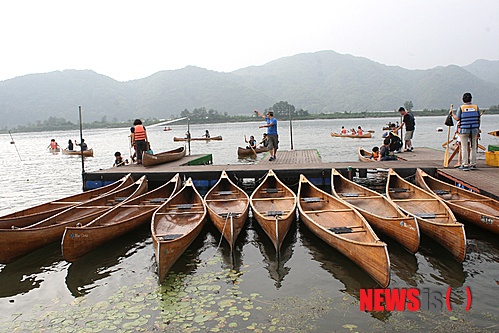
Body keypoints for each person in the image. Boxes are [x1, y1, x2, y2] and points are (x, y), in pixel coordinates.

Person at [451, 92, 480, 171]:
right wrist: (478, 128)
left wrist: (452, 114)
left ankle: (465, 164)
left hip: (464, 130)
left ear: (463, 99)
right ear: (471, 99)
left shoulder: (461, 108)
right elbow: (478, 118)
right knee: (473, 147)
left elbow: (457, 118)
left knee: (464, 147)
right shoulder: (476, 107)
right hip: (474, 129)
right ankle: (473, 164)